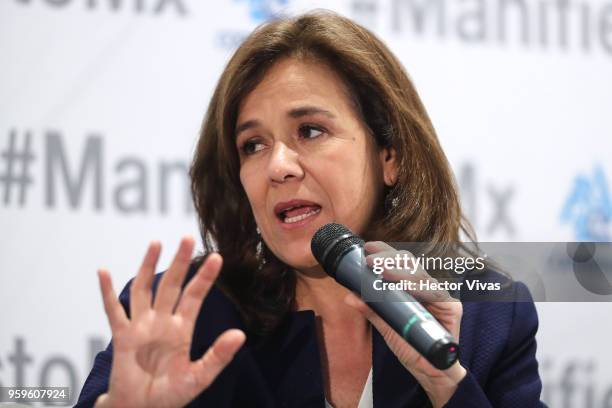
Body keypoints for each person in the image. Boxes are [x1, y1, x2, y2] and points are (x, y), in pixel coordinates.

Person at [76, 10, 545, 408]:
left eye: (311, 131)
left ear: (390, 156)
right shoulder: (190, 315)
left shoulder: (490, 314)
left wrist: (446, 383)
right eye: (253, 145)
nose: (278, 166)